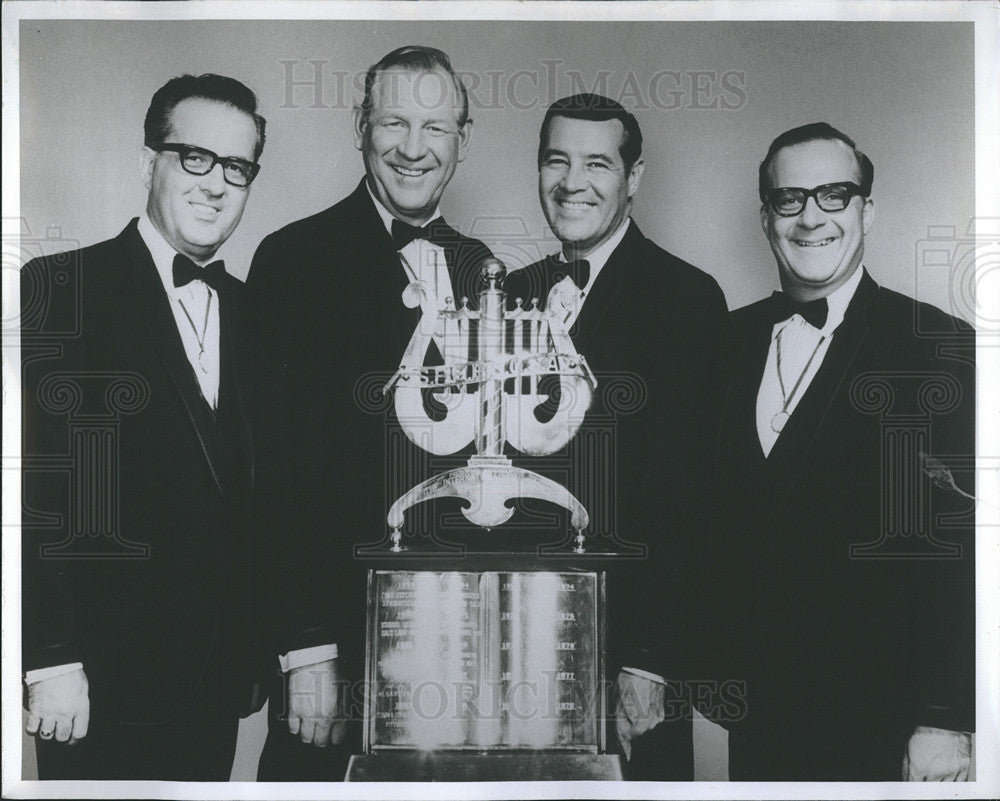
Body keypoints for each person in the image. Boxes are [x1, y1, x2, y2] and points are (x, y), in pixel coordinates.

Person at [618, 122, 976, 781]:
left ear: (867, 209)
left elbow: (958, 551)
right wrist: (650, 656)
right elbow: (680, 515)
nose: (811, 216)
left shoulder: (933, 346)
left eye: (834, 195)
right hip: (752, 719)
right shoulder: (722, 343)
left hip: (886, 721)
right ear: (765, 217)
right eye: (790, 199)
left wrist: (947, 715)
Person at [244, 45, 492, 780]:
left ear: (462, 141)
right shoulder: (292, 259)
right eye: (394, 122)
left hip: (458, 654)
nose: (413, 149)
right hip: (334, 653)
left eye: (435, 128)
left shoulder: (486, 268)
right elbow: (272, 472)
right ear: (360, 126)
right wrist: (307, 646)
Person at [21, 73, 268, 779]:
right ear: (146, 162)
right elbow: (34, 487)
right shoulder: (58, 287)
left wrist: (253, 650)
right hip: (95, 683)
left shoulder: (256, 315)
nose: (215, 184)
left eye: (237, 168)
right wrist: (50, 657)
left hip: (215, 682)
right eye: (194, 157)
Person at [503, 93, 729, 779]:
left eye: (597, 163)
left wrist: (650, 659)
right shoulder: (509, 292)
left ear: (633, 178)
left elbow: (693, 498)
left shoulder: (687, 298)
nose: (573, 182)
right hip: (515, 643)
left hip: (631, 659)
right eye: (556, 161)